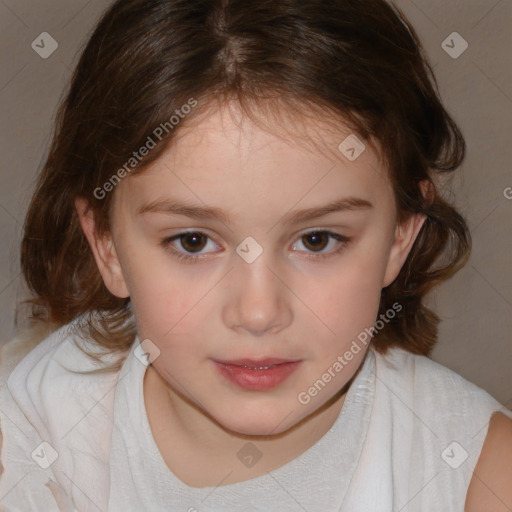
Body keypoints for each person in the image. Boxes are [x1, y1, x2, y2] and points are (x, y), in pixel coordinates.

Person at [1, 0, 511, 510]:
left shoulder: (475, 476)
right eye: (193, 242)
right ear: (106, 246)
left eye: (317, 240)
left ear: (400, 236)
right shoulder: (37, 436)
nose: (259, 312)